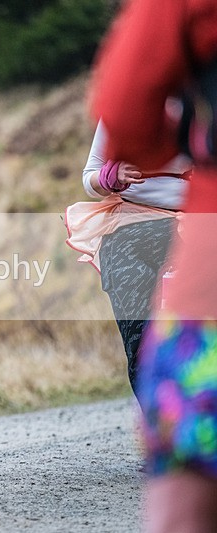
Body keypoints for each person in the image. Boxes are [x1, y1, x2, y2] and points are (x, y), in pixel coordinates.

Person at [91, 0, 217, 530]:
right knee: (136, 329)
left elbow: (126, 113)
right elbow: (97, 167)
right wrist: (112, 176)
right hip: (134, 225)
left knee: (186, 494)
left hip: (201, 239)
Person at [69, 120, 190, 398]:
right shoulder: (125, 110)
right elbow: (89, 179)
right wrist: (108, 177)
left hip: (194, 228)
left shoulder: (202, 102)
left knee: (191, 339)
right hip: (128, 230)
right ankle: (157, 419)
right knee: (141, 345)